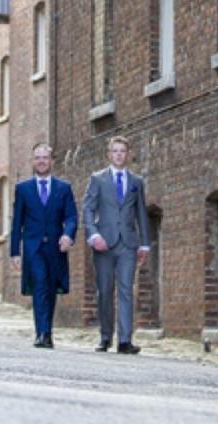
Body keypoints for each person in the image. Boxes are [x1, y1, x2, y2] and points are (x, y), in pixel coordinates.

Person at [81, 135, 150, 354]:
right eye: (115, 151)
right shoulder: (97, 179)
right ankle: (105, 336)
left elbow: (141, 213)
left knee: (126, 290)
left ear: (127, 155)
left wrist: (145, 244)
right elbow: (88, 209)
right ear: (109, 155)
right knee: (105, 291)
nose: (119, 155)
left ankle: (125, 340)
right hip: (104, 243)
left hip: (127, 244)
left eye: (122, 151)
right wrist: (93, 234)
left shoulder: (136, 182)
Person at [11, 143, 78, 349]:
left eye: (45, 157)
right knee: (39, 285)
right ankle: (42, 333)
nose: (41, 161)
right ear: (33, 161)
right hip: (33, 248)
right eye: (37, 158)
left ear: (52, 161)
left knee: (50, 289)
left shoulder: (63, 188)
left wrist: (68, 235)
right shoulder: (23, 189)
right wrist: (15, 252)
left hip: (55, 248)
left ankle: (47, 330)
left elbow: (72, 216)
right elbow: (17, 222)